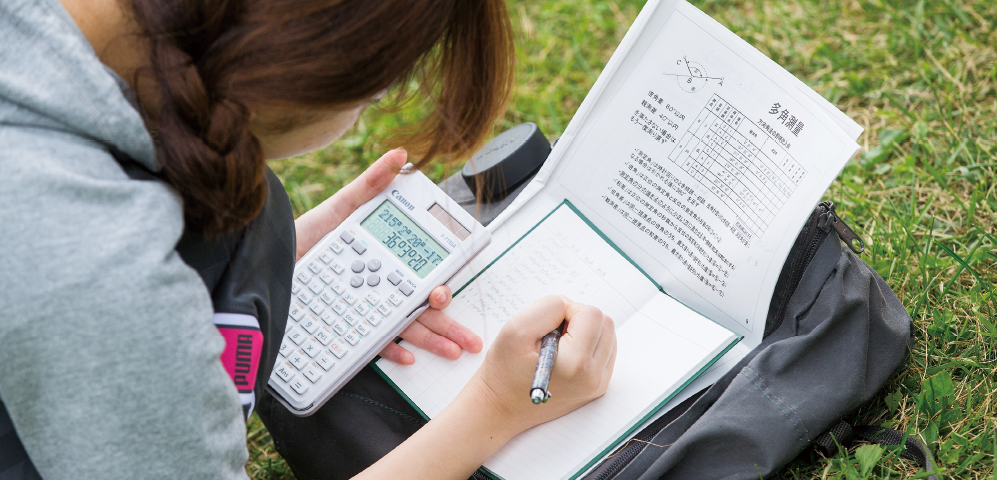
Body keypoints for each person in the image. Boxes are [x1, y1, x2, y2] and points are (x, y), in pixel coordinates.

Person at [0, 0, 618, 479]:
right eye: (373, 96)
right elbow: (95, 290)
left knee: (255, 219)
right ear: (297, 61)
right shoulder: (96, 270)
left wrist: (282, 253)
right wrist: (496, 406)